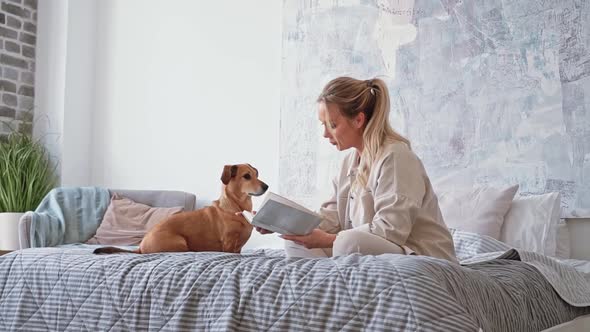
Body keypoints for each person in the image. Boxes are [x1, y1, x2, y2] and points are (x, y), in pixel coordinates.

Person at [258, 76, 457, 262]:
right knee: (296, 240)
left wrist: (328, 240)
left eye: (332, 125)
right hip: (380, 252)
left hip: (419, 254)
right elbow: (331, 219)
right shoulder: (349, 162)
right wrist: (280, 222)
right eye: (323, 125)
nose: (325, 134)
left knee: (347, 242)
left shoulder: (396, 156)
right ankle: (325, 292)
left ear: (358, 120)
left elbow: (391, 230)